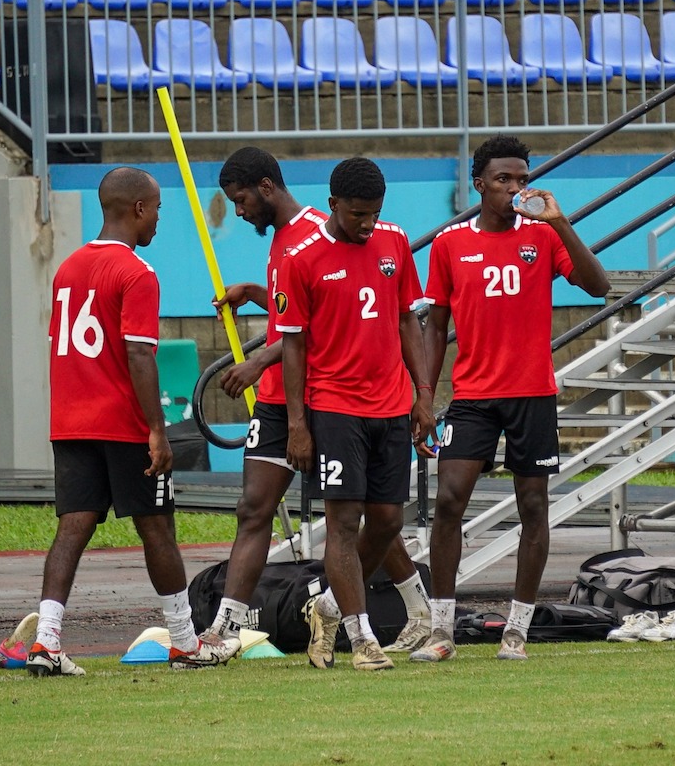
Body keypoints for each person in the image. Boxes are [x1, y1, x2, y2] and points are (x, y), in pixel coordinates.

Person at [202, 148, 432, 662]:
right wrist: (258, 292)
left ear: (265, 188)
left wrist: (259, 361)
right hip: (301, 402)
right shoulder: (296, 245)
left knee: (377, 514)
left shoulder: (318, 233)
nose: (238, 212)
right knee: (260, 509)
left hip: (312, 398)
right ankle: (224, 630)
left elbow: (319, 326)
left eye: (240, 200)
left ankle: (413, 609)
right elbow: (302, 311)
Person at [32, 167, 240, 676]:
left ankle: (46, 641)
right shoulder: (137, 273)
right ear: (139, 209)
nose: (159, 221)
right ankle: (186, 643)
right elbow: (140, 356)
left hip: (71, 421)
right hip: (122, 424)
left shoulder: (68, 268)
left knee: (72, 528)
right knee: (158, 529)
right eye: (158, 210)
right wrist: (156, 428)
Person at [411, 135, 610, 663]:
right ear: (479, 183)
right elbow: (436, 328)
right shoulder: (451, 244)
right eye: (504, 179)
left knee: (533, 505)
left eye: (522, 178)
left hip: (532, 393)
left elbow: (599, 286)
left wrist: (561, 222)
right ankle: (441, 631)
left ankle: (517, 630)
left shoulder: (543, 237)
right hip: (474, 395)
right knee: (450, 500)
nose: (515, 188)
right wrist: (425, 395)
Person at [275, 157, 436, 671]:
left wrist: (424, 393)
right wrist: (298, 424)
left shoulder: (393, 241)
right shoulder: (301, 258)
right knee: (343, 522)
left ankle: (326, 605)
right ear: (334, 205)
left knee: (387, 521)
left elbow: (408, 321)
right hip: (336, 407)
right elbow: (293, 346)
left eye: (375, 213)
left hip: (391, 404)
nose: (367, 224)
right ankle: (361, 638)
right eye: (358, 215)